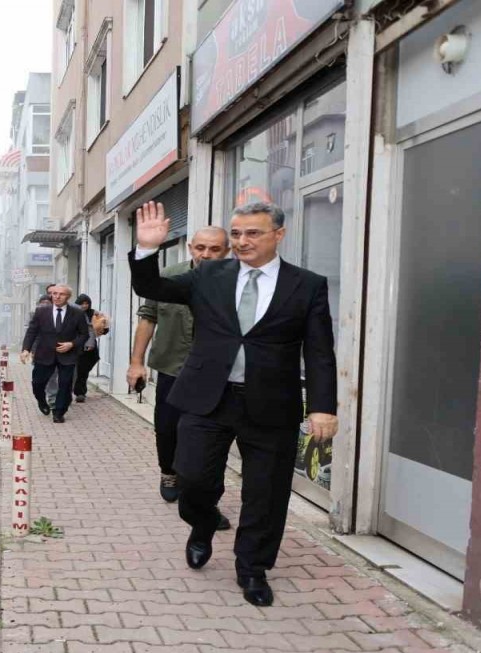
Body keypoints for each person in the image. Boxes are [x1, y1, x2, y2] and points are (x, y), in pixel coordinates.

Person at [128, 201, 337, 607]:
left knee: (266, 492)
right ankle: (202, 523)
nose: (241, 242)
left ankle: (252, 568)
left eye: (252, 233)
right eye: (237, 234)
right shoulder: (209, 274)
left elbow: (319, 350)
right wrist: (147, 251)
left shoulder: (307, 285)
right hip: (208, 397)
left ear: (279, 234)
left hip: (271, 403)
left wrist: (323, 406)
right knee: (191, 479)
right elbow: (152, 289)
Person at [128, 226, 232, 508]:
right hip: (173, 366)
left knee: (212, 438)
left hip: (217, 374)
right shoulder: (168, 277)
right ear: (190, 248)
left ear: (227, 251)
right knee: (167, 427)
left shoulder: (236, 283)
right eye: (201, 248)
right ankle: (168, 471)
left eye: (214, 249)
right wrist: (136, 362)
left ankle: (205, 501)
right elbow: (148, 319)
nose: (206, 255)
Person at [21, 284, 89, 424]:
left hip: (67, 355)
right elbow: (32, 331)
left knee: (65, 384)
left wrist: (72, 344)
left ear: (68, 297)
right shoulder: (41, 312)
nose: (57, 297)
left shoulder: (77, 313)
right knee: (37, 383)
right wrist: (26, 349)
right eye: (54, 293)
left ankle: (59, 412)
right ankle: (42, 401)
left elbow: (84, 334)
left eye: (61, 294)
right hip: (44, 354)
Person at [72, 294, 108, 402]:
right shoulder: (73, 313)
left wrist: (103, 326)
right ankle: (80, 392)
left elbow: (102, 326)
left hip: (90, 346)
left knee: (85, 369)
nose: (84, 306)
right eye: (82, 303)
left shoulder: (93, 313)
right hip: (77, 345)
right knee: (79, 369)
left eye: (86, 303)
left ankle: (79, 389)